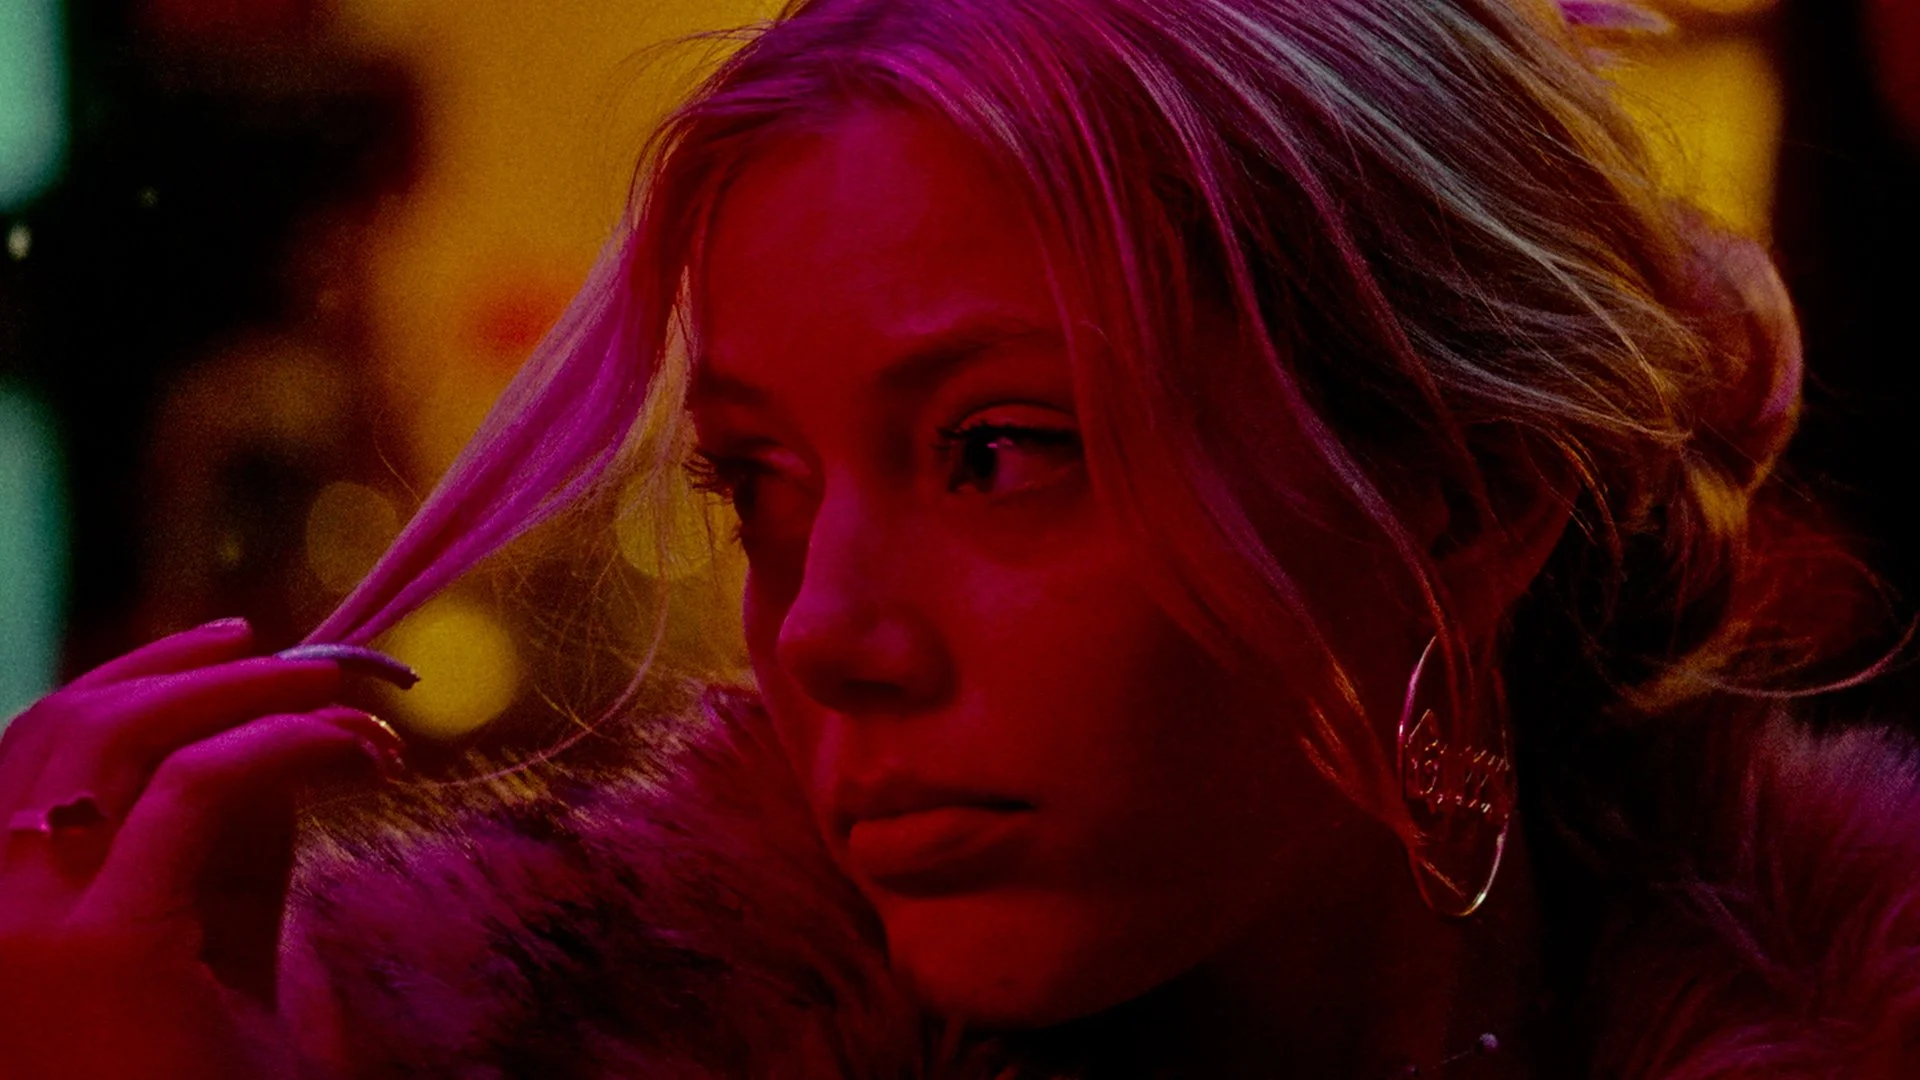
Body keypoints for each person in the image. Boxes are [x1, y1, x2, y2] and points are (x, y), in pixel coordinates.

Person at [4, 0, 1918, 1076]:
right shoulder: (485, 1041)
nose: (822, 633)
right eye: (756, 485)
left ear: (1472, 496)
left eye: (999, 451)